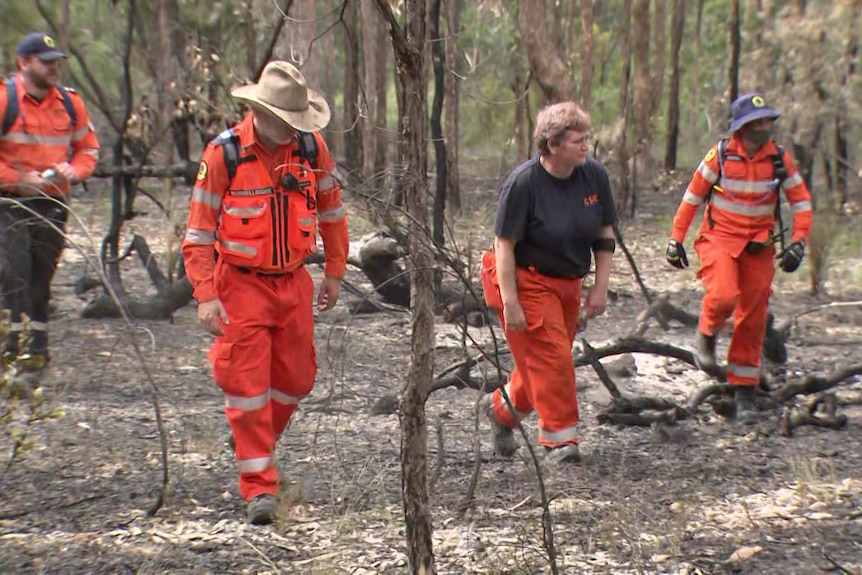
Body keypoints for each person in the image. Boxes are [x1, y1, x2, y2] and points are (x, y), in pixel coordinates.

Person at [181, 61, 348, 525]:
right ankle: (259, 489)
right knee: (247, 385)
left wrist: (335, 269)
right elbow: (197, 232)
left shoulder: (312, 149)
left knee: (297, 378)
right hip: (241, 285)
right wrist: (206, 293)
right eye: (287, 121)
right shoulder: (225, 154)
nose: (293, 130)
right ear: (260, 112)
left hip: (294, 281)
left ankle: (253, 439)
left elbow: (333, 212)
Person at [479, 101, 617, 464]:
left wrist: (599, 287)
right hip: (524, 279)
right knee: (554, 360)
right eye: (577, 140)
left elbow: (604, 233)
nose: (585, 146)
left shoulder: (594, 176)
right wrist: (511, 302)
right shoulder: (524, 184)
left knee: (541, 362)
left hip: (569, 282)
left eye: (587, 138)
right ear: (552, 145)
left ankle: (501, 409)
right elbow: (504, 245)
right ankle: (561, 442)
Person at [665, 92, 812, 424]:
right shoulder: (720, 155)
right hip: (719, 239)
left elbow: (801, 201)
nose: (765, 127)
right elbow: (692, 197)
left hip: (759, 247)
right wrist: (676, 239)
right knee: (723, 296)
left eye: (768, 121)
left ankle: (743, 390)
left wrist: (799, 242)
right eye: (757, 122)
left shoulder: (779, 159)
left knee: (754, 315)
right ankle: (706, 334)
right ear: (742, 127)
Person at [0, 32, 100, 369]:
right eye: (46, 62)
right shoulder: (4, 100)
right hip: (10, 203)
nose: (53, 68)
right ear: (24, 63)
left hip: (54, 205)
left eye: (56, 61)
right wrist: (18, 179)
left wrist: (73, 171)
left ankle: (38, 350)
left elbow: (88, 149)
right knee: (15, 274)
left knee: (43, 277)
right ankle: (10, 348)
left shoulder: (71, 103)